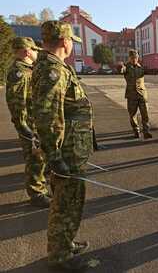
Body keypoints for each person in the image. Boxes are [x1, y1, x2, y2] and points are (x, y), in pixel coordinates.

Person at [32, 20, 93, 270]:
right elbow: (47, 114)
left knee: (69, 201)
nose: (72, 46)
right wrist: (55, 156)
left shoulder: (54, 66)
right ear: (64, 41)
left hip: (71, 147)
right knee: (66, 203)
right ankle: (59, 256)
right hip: (66, 151)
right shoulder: (51, 70)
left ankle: (65, 244)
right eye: (71, 42)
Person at [5, 37, 51, 207]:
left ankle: (41, 187)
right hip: (29, 124)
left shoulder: (27, 69)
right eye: (34, 50)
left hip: (35, 121)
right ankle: (37, 194)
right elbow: (17, 103)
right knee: (35, 159)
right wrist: (25, 129)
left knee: (40, 157)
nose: (36, 53)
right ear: (26, 51)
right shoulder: (19, 72)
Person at [122, 49, 152, 139]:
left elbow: (147, 72)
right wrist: (120, 67)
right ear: (129, 58)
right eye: (132, 58)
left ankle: (146, 131)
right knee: (132, 115)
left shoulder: (141, 68)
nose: (134, 59)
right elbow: (121, 70)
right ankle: (136, 131)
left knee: (145, 114)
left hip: (142, 94)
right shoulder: (126, 68)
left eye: (136, 57)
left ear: (138, 58)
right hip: (131, 95)